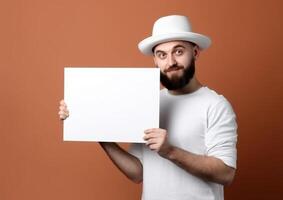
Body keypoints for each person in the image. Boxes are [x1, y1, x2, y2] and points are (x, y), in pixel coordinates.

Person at [59, 15, 238, 200]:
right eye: (162, 55)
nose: (170, 62)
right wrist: (95, 129)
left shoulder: (216, 105)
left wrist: (170, 151)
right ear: (155, 60)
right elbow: (137, 172)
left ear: (195, 52)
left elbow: (225, 174)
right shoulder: (149, 102)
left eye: (178, 51)